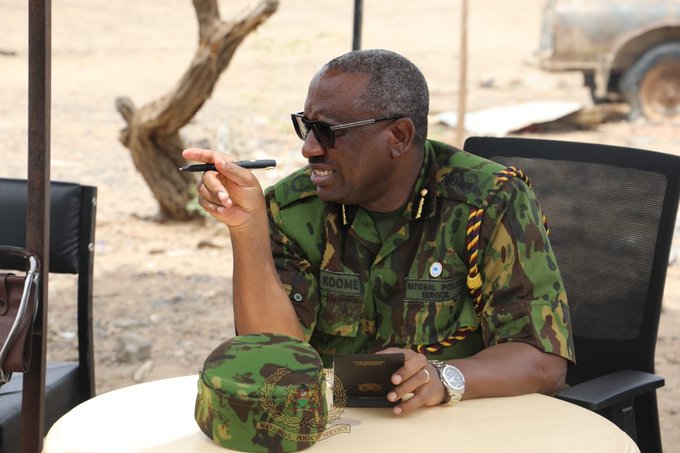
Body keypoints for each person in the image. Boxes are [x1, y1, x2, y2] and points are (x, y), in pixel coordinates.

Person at [182, 48, 575, 416]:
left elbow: (543, 362)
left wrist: (444, 378)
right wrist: (247, 228)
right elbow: (274, 359)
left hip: (457, 425)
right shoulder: (292, 209)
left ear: (399, 137)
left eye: (327, 131)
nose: (309, 148)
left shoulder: (489, 201)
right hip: (334, 426)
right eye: (305, 125)